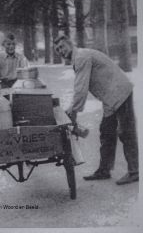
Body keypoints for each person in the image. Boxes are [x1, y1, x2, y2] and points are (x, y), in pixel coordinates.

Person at [54, 34, 139, 185]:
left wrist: (73, 112)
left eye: (62, 46)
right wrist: (72, 109)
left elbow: (81, 89)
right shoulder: (79, 57)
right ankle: (104, 170)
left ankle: (135, 171)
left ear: (70, 44)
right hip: (110, 98)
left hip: (120, 92)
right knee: (106, 131)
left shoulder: (81, 56)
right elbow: (81, 88)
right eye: (57, 49)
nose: (60, 50)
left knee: (126, 132)